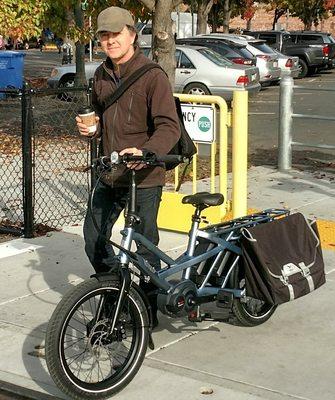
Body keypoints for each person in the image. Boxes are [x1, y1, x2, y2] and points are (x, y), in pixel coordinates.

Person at [76, 6, 180, 327]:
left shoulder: (152, 76)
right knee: (94, 238)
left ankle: (147, 310)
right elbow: (98, 117)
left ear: (132, 34)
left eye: (115, 34)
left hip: (144, 175)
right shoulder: (101, 75)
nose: (110, 41)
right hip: (110, 172)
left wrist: (147, 151)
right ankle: (115, 294)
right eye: (104, 36)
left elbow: (169, 126)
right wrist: (89, 128)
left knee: (145, 247)